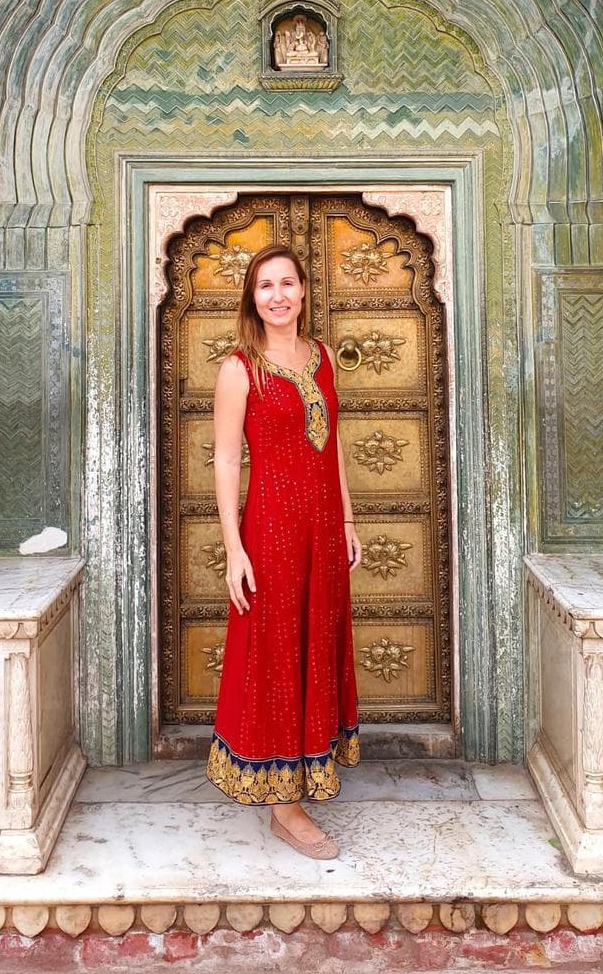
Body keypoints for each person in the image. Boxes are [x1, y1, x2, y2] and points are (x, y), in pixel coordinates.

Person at [205, 243, 361, 858]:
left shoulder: (321, 357)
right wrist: (233, 548)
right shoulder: (240, 369)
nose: (277, 295)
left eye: (287, 283)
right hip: (269, 531)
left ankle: (306, 770)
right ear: (252, 297)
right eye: (265, 285)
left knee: (315, 640)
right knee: (276, 651)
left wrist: (347, 517)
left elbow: (334, 445)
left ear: (302, 291)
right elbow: (223, 460)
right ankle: (284, 807)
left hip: (322, 528)